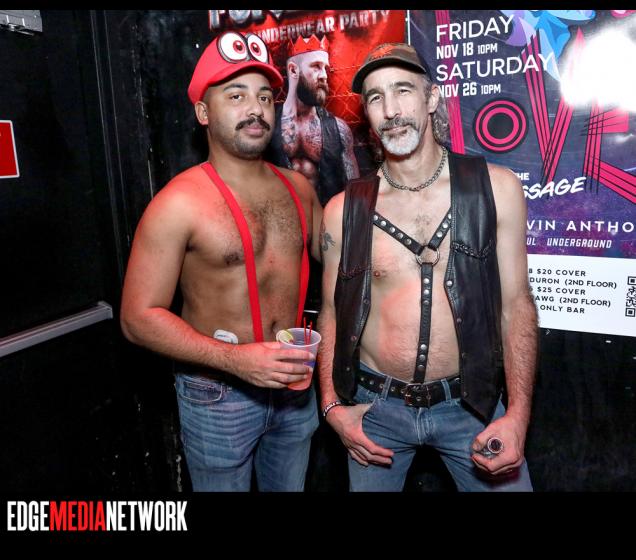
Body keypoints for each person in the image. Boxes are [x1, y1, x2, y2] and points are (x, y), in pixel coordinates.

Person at [317, 43, 538, 491]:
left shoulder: (496, 189)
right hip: (376, 411)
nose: (391, 110)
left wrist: (517, 415)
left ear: (432, 97)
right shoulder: (343, 210)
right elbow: (331, 313)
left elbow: (516, 306)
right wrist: (331, 407)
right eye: (376, 97)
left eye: (403, 90)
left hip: (471, 406)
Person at [120, 31, 322, 492]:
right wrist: (235, 360)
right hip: (219, 395)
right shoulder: (178, 203)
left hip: (294, 387)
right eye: (235, 95)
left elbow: (343, 268)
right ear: (203, 113)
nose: (255, 109)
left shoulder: (299, 189)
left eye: (264, 97)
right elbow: (137, 318)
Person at [269, 34, 359, 207]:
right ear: (293, 70)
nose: (324, 75)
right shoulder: (268, 127)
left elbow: (354, 195)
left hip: (325, 219)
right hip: (281, 219)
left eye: (326, 68)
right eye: (316, 66)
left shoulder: (339, 130)